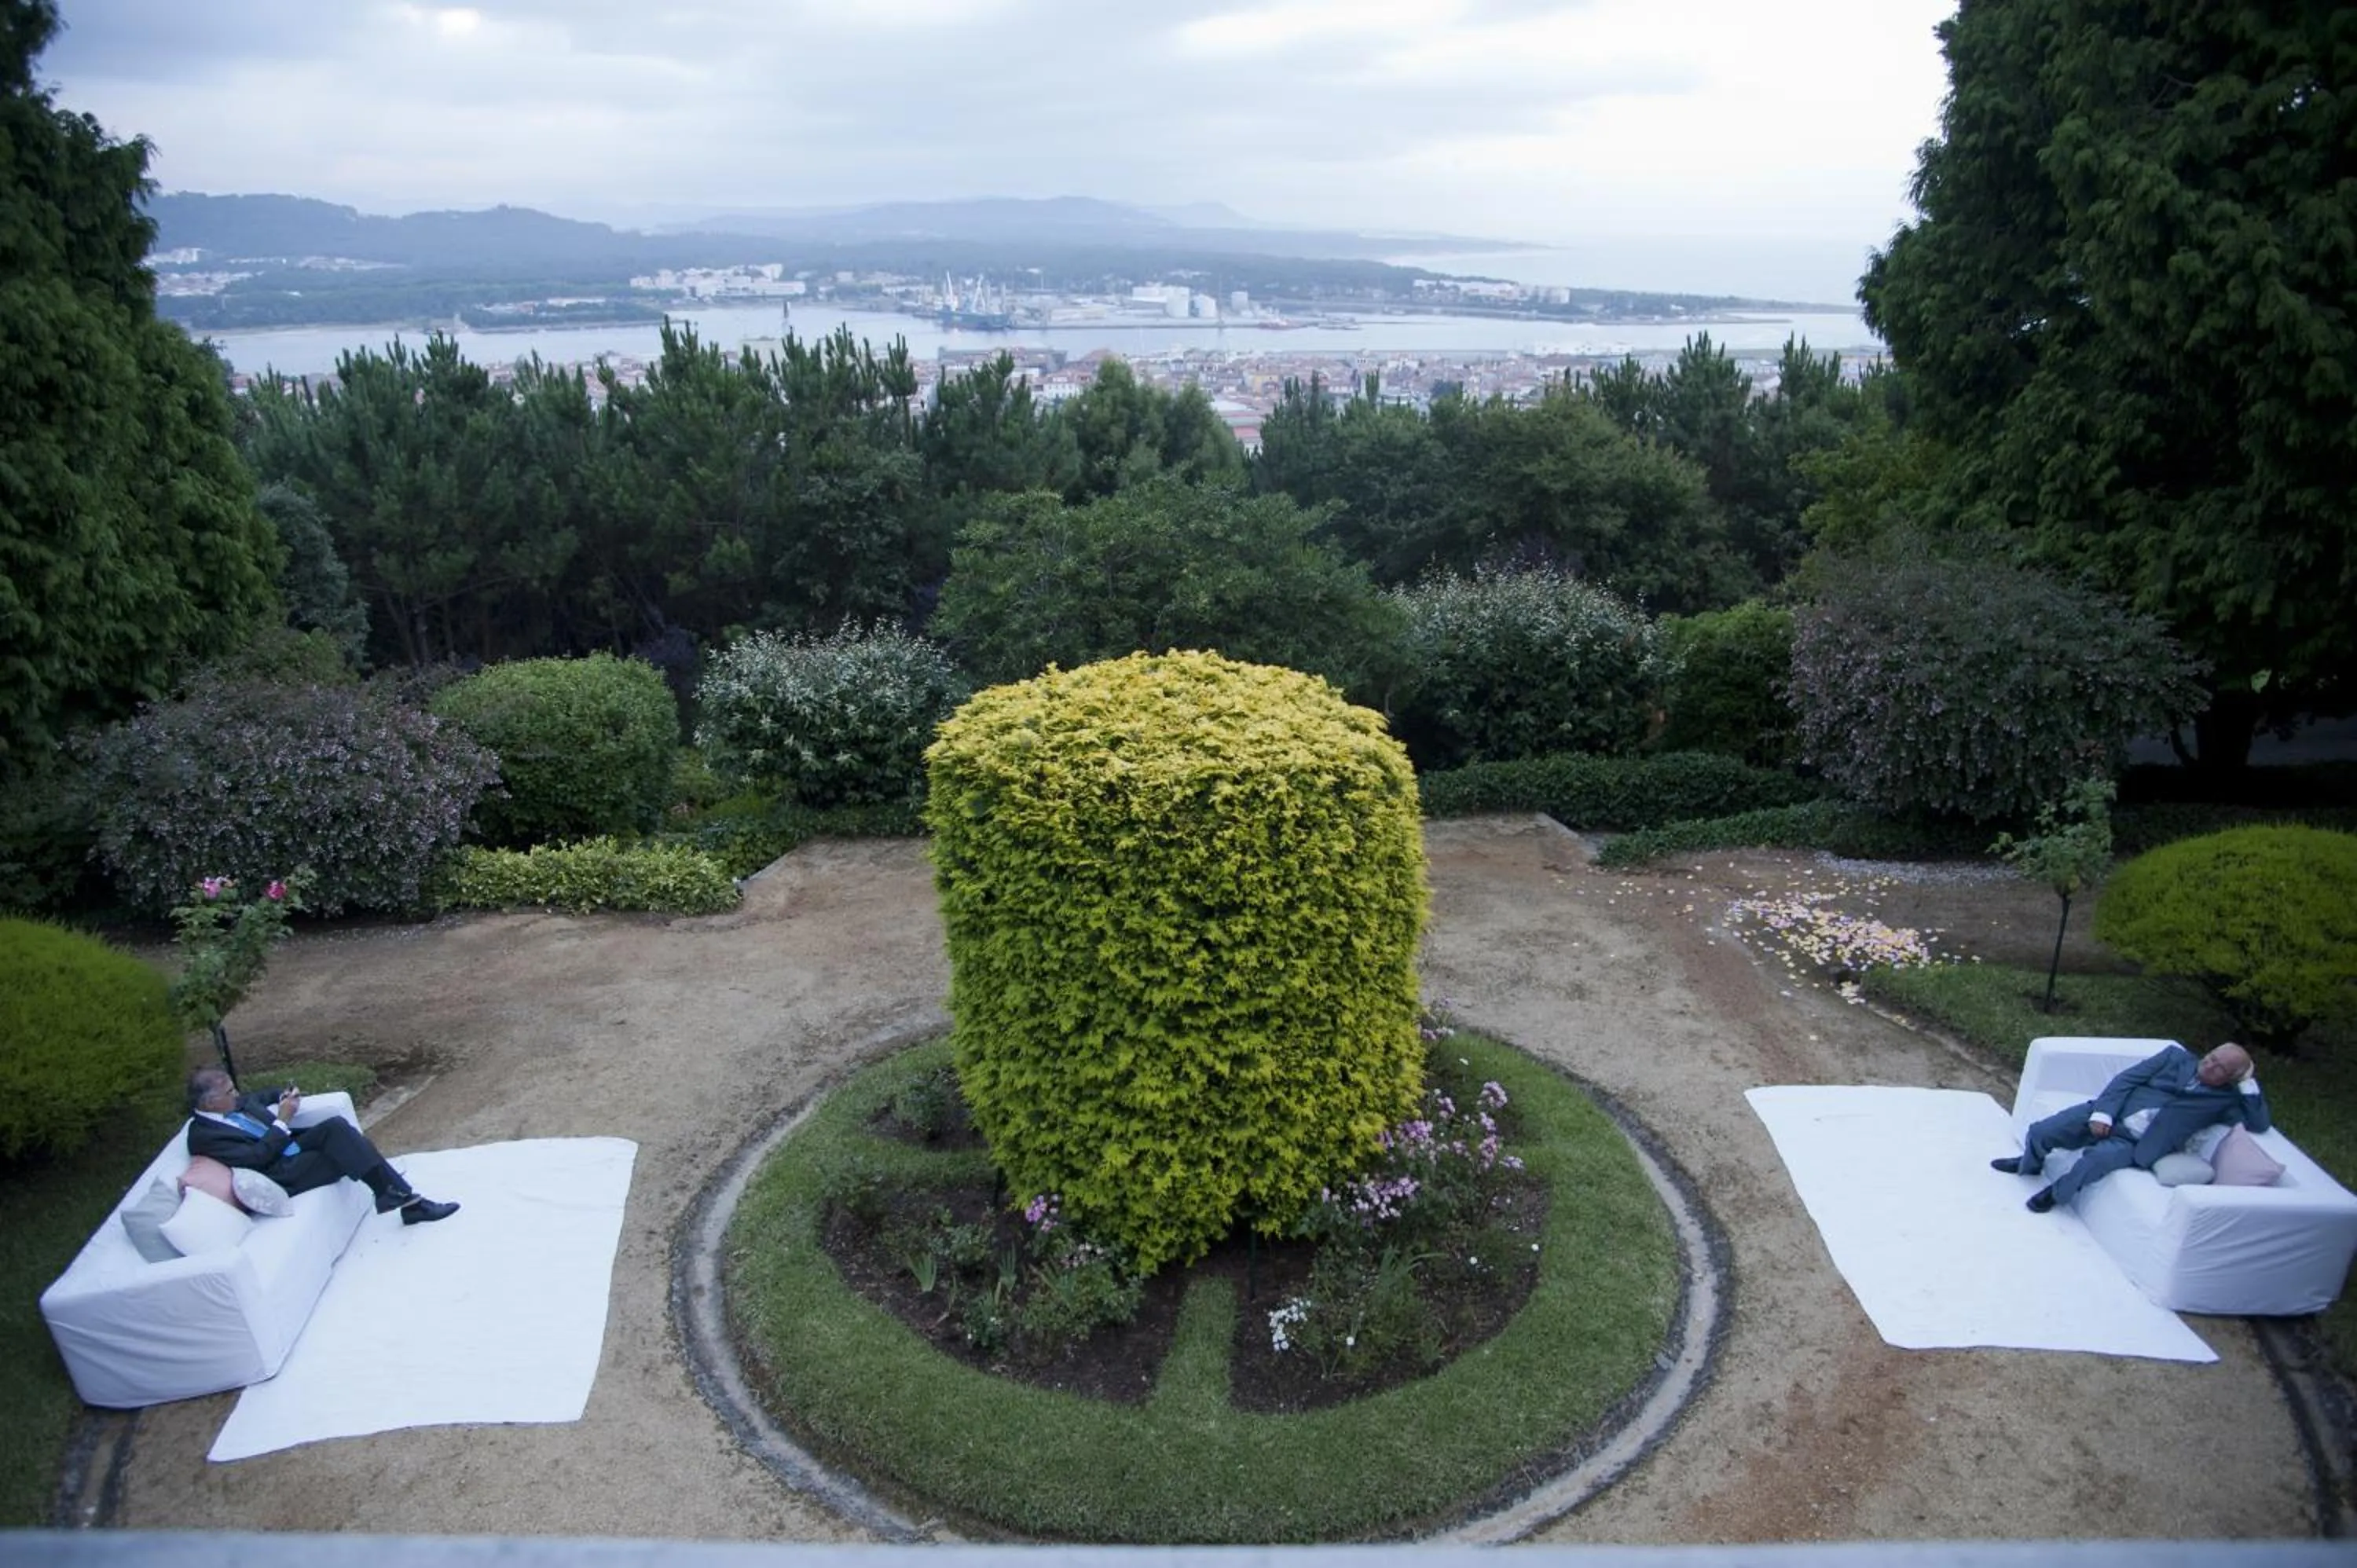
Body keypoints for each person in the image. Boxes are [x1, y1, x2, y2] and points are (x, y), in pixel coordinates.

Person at [1992, 1042, 2270, 1212]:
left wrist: (2247, 1081)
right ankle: (2029, 1164)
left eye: (2219, 1068)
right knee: (2042, 1131)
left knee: (2094, 1162)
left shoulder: (2225, 1101)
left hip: (2137, 1143)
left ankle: (2055, 1194)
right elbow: (2126, 1080)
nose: (2209, 1065)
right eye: (2210, 1057)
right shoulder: (2173, 1057)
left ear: (2231, 1078)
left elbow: (2258, 1123)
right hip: (2108, 1114)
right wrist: (2104, 1114)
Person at [185, 1067, 458, 1225]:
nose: (238, 1095)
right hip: (279, 1172)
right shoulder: (204, 1135)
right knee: (351, 1148)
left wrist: (284, 1093)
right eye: (230, 1092)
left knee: (338, 1128)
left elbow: (262, 1096)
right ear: (210, 1103)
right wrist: (282, 1120)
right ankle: (406, 1201)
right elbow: (257, 1157)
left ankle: (397, 1197)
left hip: (290, 1147)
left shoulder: (233, 1104)